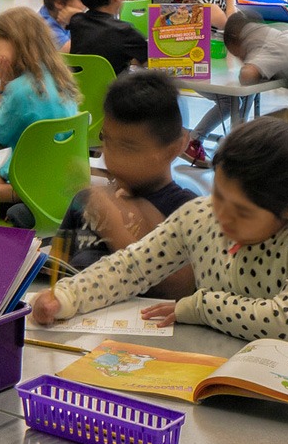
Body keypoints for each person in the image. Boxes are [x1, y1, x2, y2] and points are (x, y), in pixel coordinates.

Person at [32, 114, 288, 348]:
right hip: (218, 371)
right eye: (219, 196)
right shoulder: (201, 216)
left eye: (243, 211)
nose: (223, 217)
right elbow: (129, 268)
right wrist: (65, 297)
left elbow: (286, 325)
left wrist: (198, 306)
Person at [51, 70, 198, 298]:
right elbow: (56, 269)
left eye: (128, 148)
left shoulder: (188, 211)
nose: (113, 158)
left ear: (174, 148)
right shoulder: (87, 201)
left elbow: (180, 289)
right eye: (107, 141)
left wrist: (116, 230)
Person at [0, 6, 80, 207]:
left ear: (16, 43)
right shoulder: (59, 77)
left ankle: (17, 196)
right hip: (61, 177)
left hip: (29, 178)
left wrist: (1, 85)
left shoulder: (19, 89)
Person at [67, 0, 146, 74]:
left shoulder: (76, 22)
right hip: (115, 90)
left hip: (81, 89)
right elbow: (150, 60)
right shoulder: (124, 32)